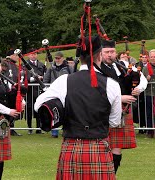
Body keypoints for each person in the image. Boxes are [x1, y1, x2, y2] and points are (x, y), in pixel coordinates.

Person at [35, 36, 121, 179]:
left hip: (71, 148)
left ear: (79, 57)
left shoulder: (64, 81)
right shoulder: (112, 84)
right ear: (100, 55)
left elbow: (39, 105)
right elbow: (114, 122)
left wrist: (60, 110)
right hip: (99, 147)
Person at [100, 39, 147, 174]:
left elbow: (141, 77)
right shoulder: (95, 68)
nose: (110, 55)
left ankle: (111, 175)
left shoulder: (122, 65)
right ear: (100, 53)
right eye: (107, 52)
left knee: (117, 146)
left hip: (122, 110)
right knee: (102, 145)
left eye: (112, 52)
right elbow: (94, 91)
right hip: (102, 110)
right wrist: (120, 98)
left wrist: (138, 88)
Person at [43, 51, 73, 138]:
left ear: (62, 58)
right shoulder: (51, 68)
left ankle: (66, 130)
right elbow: (46, 80)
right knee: (54, 111)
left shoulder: (69, 68)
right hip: (54, 93)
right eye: (56, 58)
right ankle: (54, 131)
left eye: (58, 58)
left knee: (67, 111)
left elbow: (74, 77)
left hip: (66, 92)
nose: (57, 60)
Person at [2, 49, 23, 136]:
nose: (17, 57)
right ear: (11, 56)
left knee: (15, 108)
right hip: (7, 90)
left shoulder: (15, 65)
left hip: (14, 90)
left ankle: (11, 127)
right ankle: (6, 128)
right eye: (15, 55)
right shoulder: (5, 63)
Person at [25, 48, 46, 134]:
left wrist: (42, 78)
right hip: (29, 91)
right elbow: (25, 78)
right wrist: (35, 78)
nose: (33, 55)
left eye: (35, 54)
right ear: (29, 55)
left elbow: (46, 75)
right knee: (29, 109)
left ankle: (39, 128)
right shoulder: (25, 65)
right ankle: (29, 128)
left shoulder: (41, 65)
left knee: (39, 109)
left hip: (39, 90)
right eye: (32, 54)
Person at [142, 50, 155, 138]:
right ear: (149, 58)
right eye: (152, 57)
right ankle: (150, 131)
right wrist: (146, 79)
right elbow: (141, 81)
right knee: (149, 113)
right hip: (149, 93)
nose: (153, 58)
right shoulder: (145, 68)